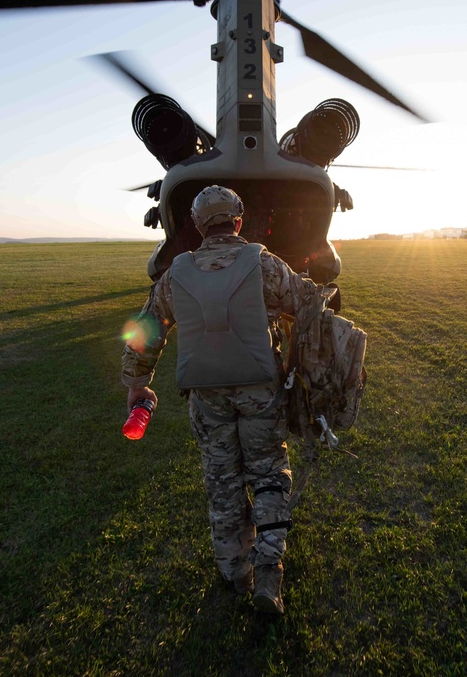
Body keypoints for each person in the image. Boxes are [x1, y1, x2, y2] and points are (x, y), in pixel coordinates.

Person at [121, 185, 324, 614]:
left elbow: (145, 331)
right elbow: (308, 304)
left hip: (207, 398)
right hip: (261, 393)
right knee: (268, 473)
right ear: (238, 219)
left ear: (197, 225)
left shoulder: (175, 275)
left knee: (223, 482)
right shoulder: (262, 263)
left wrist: (136, 384)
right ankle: (269, 571)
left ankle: (235, 573)